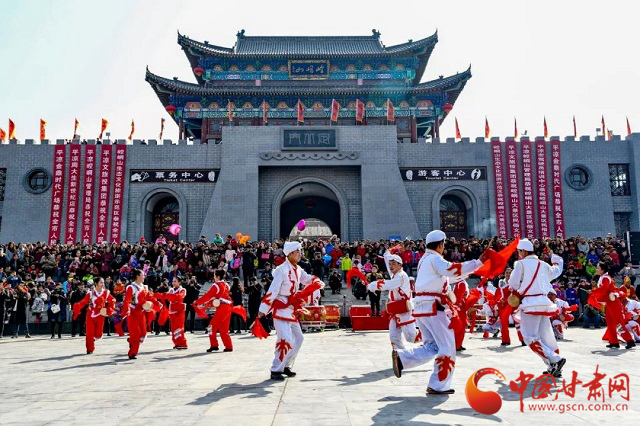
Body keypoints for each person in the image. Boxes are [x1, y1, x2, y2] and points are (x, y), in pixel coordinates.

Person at [392, 230, 483, 395]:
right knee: (447, 346)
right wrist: (478, 263)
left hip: (422, 309)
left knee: (432, 346)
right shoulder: (435, 259)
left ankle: (403, 358)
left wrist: (472, 270)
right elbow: (452, 269)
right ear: (440, 245)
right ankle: (439, 385)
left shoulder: (424, 260)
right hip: (434, 308)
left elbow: (447, 276)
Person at [259, 241, 323, 381]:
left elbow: (307, 279)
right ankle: (276, 369)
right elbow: (273, 290)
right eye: (297, 252)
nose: (300, 254)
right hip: (281, 308)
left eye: (300, 252)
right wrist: (263, 309)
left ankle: (286, 365)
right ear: (290, 254)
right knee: (285, 339)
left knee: (299, 338)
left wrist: (316, 281)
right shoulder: (281, 270)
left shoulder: (298, 269)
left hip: (291, 308)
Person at [508, 239, 566, 377]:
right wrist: (556, 258)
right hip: (544, 303)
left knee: (529, 337)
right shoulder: (543, 264)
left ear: (523, 251)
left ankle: (555, 359)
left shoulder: (520, 264)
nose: (519, 254)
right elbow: (556, 271)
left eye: (519, 251)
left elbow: (513, 283)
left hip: (530, 303)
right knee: (546, 336)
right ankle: (553, 366)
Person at [367, 251, 417, 349]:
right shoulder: (395, 274)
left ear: (400, 265)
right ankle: (400, 355)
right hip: (395, 310)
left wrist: (373, 285)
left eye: (393, 264)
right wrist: (387, 254)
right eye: (390, 264)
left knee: (411, 337)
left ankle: (431, 341)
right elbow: (388, 265)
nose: (390, 266)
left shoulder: (401, 276)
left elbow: (388, 284)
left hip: (404, 310)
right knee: (394, 336)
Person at [590, 260, 635, 349]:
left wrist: (593, 292)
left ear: (602, 270)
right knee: (610, 323)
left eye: (598, 268)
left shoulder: (605, 278)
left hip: (613, 304)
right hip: (609, 303)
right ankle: (614, 341)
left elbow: (604, 290)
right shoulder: (603, 277)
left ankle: (629, 340)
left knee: (618, 323)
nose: (596, 269)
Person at [121, 269, 159, 359]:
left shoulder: (144, 287)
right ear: (138, 276)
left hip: (141, 312)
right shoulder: (131, 287)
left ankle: (131, 341)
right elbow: (127, 300)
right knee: (135, 333)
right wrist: (127, 310)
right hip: (132, 312)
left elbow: (149, 297)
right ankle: (132, 353)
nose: (144, 276)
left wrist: (157, 303)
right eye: (143, 275)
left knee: (143, 333)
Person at [72, 277, 116, 354]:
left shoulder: (106, 293)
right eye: (101, 282)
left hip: (100, 315)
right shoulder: (90, 293)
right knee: (89, 333)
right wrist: (76, 306)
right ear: (96, 283)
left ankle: (93, 339)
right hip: (90, 315)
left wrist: (108, 309)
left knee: (99, 334)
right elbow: (83, 302)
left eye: (103, 282)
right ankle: (90, 349)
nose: (103, 284)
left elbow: (112, 300)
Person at [195, 269, 234, 353]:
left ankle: (214, 345)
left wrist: (198, 302)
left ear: (217, 277)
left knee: (211, 327)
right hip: (228, 307)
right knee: (224, 329)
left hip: (222, 308)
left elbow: (208, 295)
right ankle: (228, 346)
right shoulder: (226, 285)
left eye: (214, 275)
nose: (213, 277)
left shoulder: (216, 285)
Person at [154, 277, 188, 349]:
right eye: (173, 281)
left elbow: (179, 297)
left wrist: (168, 295)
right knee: (173, 327)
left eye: (175, 281)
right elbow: (163, 296)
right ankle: (177, 343)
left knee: (179, 327)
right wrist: (154, 295)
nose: (173, 283)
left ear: (179, 282)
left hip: (179, 311)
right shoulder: (171, 290)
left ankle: (182, 343)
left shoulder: (182, 290)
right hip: (172, 311)